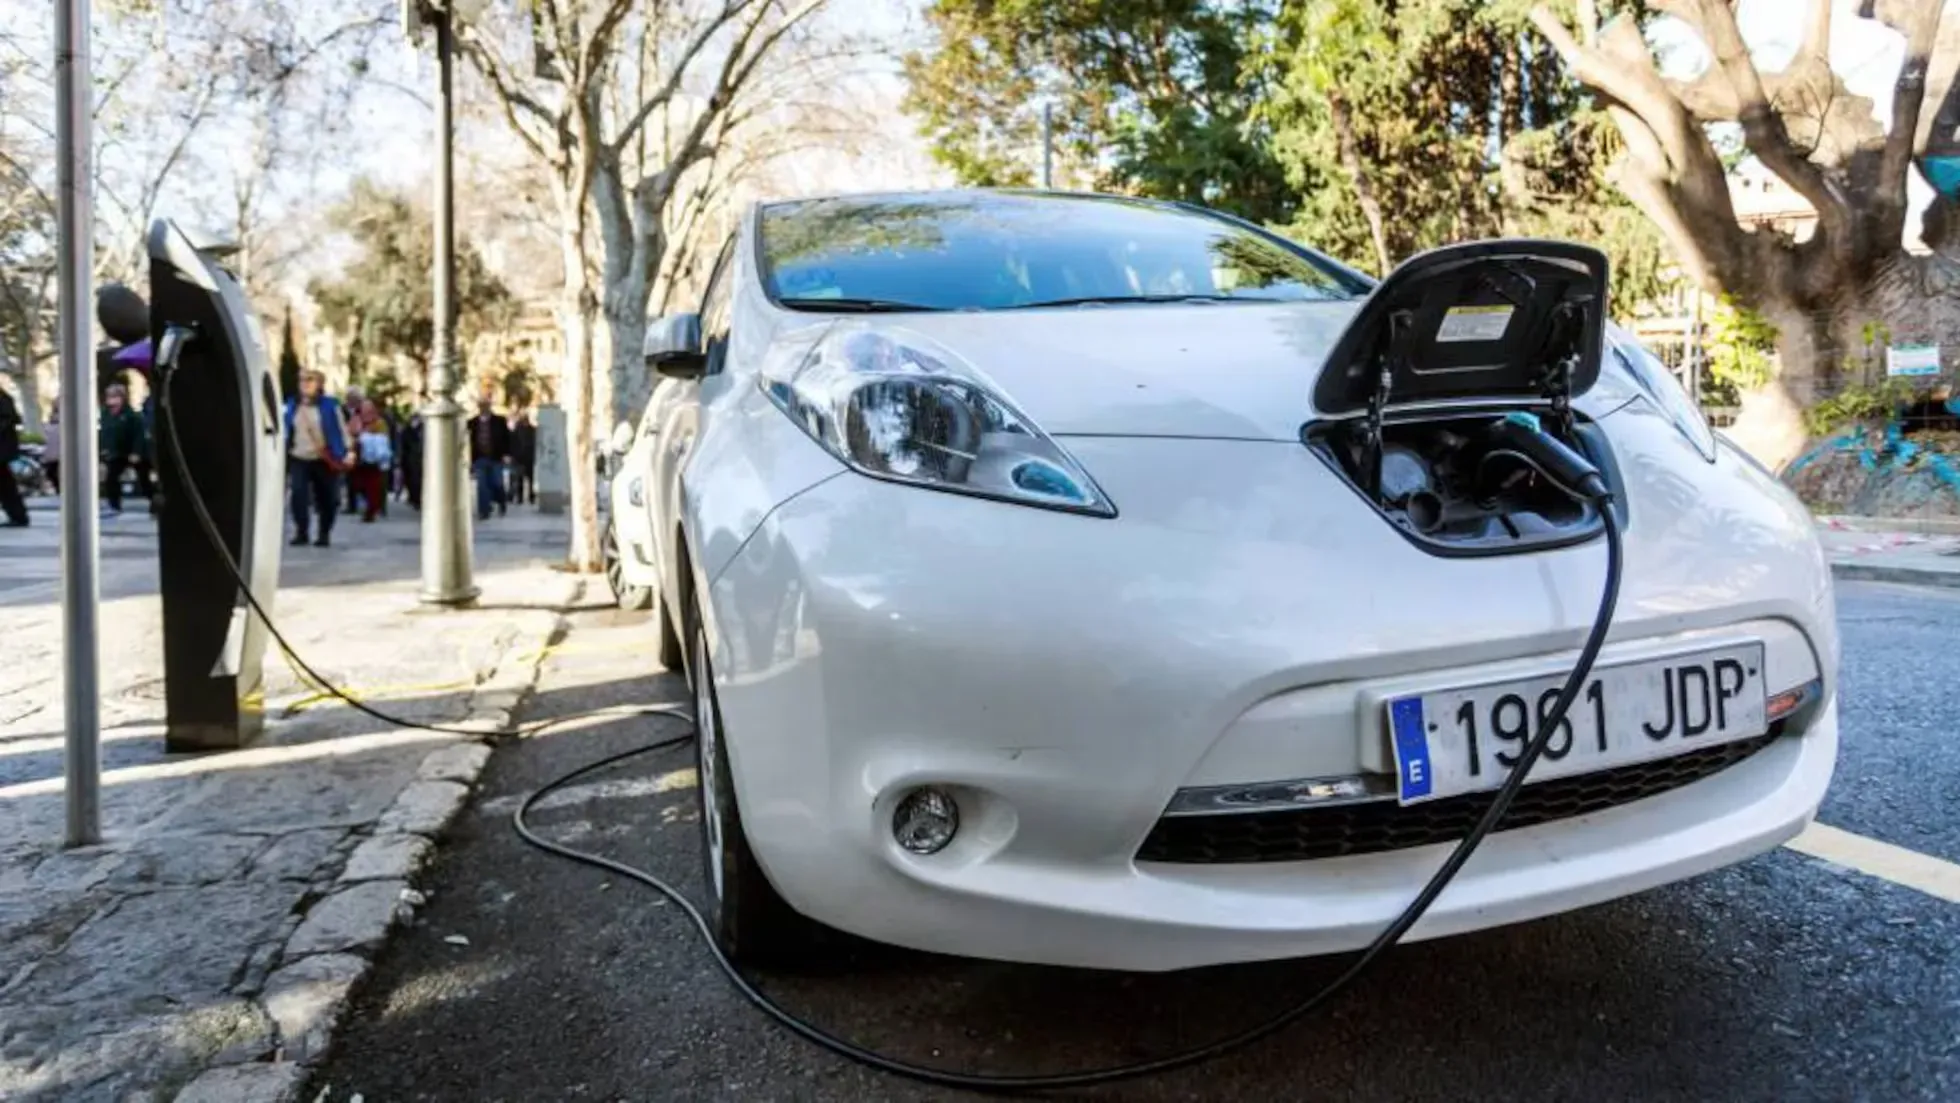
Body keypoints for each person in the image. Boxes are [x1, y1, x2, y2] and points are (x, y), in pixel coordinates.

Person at [284, 369, 352, 547]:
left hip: (324, 458)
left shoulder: (330, 405)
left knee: (328, 499)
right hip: (299, 457)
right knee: (298, 495)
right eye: (302, 380)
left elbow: (342, 429)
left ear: (320, 384)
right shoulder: (292, 405)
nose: (305, 383)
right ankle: (302, 531)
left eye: (310, 380)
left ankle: (324, 533)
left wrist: (349, 450)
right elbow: (285, 429)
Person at [98, 384, 144, 515]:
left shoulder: (131, 415)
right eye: (109, 396)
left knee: (143, 477)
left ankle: (153, 501)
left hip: (128, 451)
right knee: (111, 478)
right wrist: (103, 448)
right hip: (113, 452)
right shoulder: (105, 414)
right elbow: (104, 433)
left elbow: (138, 435)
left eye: (114, 396)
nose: (111, 400)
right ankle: (114, 505)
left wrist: (136, 452)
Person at [466, 396, 511, 521]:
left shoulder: (499, 421)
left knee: (497, 483)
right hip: (479, 458)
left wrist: (507, 454)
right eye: (481, 406)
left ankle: (501, 501)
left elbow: (506, 438)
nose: (484, 408)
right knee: (482, 485)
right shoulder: (472, 423)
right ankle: (484, 510)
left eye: (486, 406)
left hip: (496, 457)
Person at [351, 398, 392, 522]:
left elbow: (385, 438)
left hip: (374, 459)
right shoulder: (356, 420)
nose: (366, 410)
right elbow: (350, 432)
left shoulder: (380, 422)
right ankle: (368, 506)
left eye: (369, 407)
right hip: (358, 457)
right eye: (364, 407)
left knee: (373, 485)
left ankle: (371, 511)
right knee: (358, 484)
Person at [0, 384, 27, 527]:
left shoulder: (3, 398)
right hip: (4, 449)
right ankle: (18, 515)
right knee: (6, 483)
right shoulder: (5, 397)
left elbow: (9, 419)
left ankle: (18, 515)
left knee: (6, 484)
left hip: (2, 448)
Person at [509, 408, 537, 506]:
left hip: (528, 457)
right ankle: (521, 497)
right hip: (520, 458)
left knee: (530, 479)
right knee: (520, 478)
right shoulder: (518, 430)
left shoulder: (532, 429)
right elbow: (513, 443)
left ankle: (530, 496)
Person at [40, 398, 60, 496]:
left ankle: (60, 489)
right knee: (51, 472)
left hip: (59, 452)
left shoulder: (67, 416)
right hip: (53, 451)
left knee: (55, 472)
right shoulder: (52, 417)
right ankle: (59, 489)